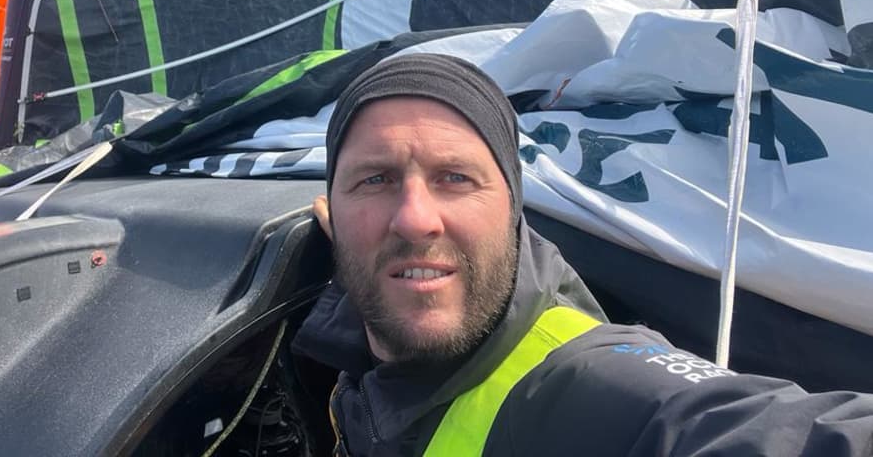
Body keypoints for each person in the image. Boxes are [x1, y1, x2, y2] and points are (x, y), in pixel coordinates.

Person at [291, 53, 873, 456]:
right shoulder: (357, 347)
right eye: (375, 181)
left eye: (455, 179)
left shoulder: (591, 385)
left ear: (513, 211)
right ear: (333, 213)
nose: (415, 218)